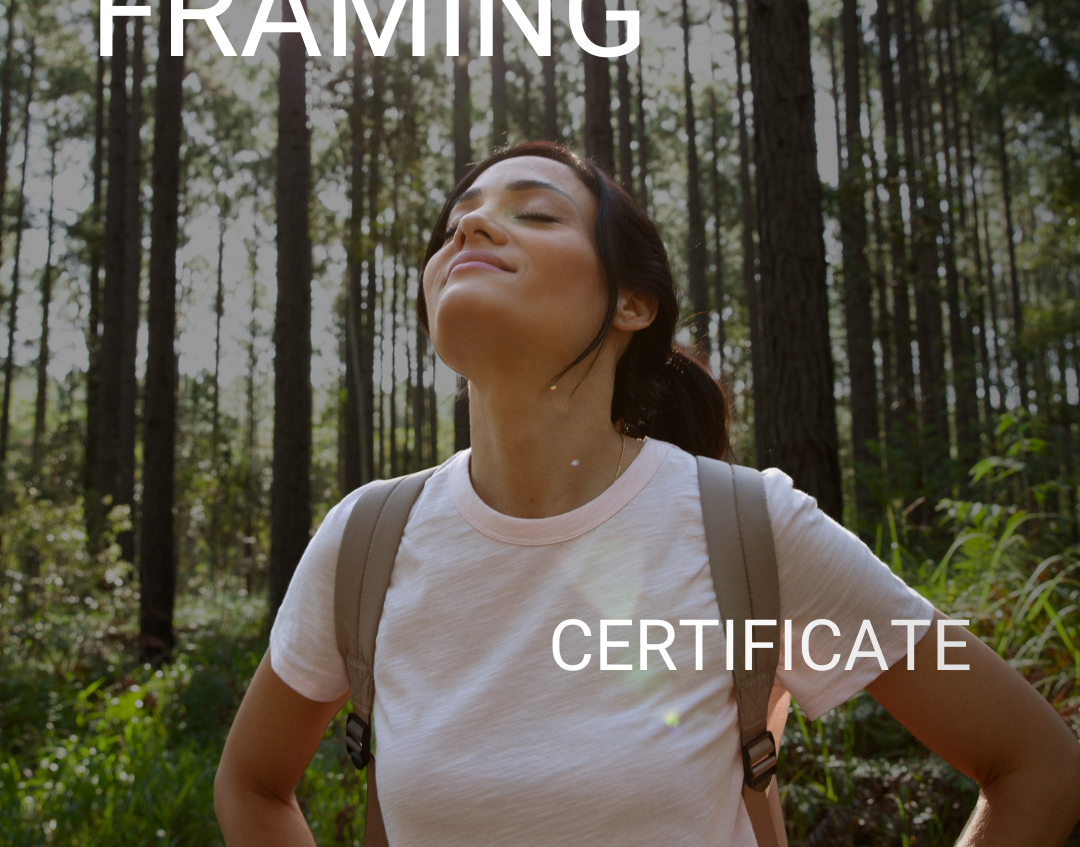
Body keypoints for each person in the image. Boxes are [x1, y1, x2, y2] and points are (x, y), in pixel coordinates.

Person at [214, 141, 1080, 846]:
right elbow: (252, 787)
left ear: (631, 302)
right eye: (454, 224)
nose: (471, 223)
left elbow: (1035, 765)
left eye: (536, 212)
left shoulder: (751, 530)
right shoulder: (368, 541)